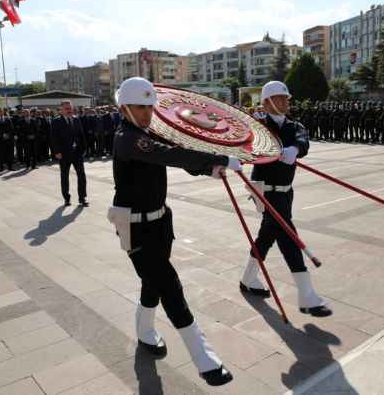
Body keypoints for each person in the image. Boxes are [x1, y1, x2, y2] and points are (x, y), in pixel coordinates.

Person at [110, 77, 238, 386]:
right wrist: (219, 158)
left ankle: (144, 333)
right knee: (169, 285)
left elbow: (175, 152)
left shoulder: (145, 132)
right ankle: (204, 359)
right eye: (140, 107)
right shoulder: (127, 138)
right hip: (135, 227)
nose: (146, 113)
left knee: (152, 283)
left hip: (159, 223)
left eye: (149, 106)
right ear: (124, 107)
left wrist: (208, 168)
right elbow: (166, 155)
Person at [240, 81, 332, 318]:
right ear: (267, 102)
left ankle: (248, 278)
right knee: (287, 236)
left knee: (267, 235)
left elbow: (303, 141)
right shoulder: (258, 126)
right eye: (279, 99)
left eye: (286, 99)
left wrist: (295, 150)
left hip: (285, 191)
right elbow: (246, 146)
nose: (284, 102)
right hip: (264, 190)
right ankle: (307, 295)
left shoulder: (295, 125)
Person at [51, 100, 88, 206]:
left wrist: (84, 149)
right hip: (64, 154)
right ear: (61, 110)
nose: (69, 110)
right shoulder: (56, 121)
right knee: (64, 176)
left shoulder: (76, 119)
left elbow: (81, 135)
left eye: (70, 108)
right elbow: (54, 138)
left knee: (81, 175)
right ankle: (66, 198)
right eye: (66, 109)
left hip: (77, 153)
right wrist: (57, 152)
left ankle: (82, 198)